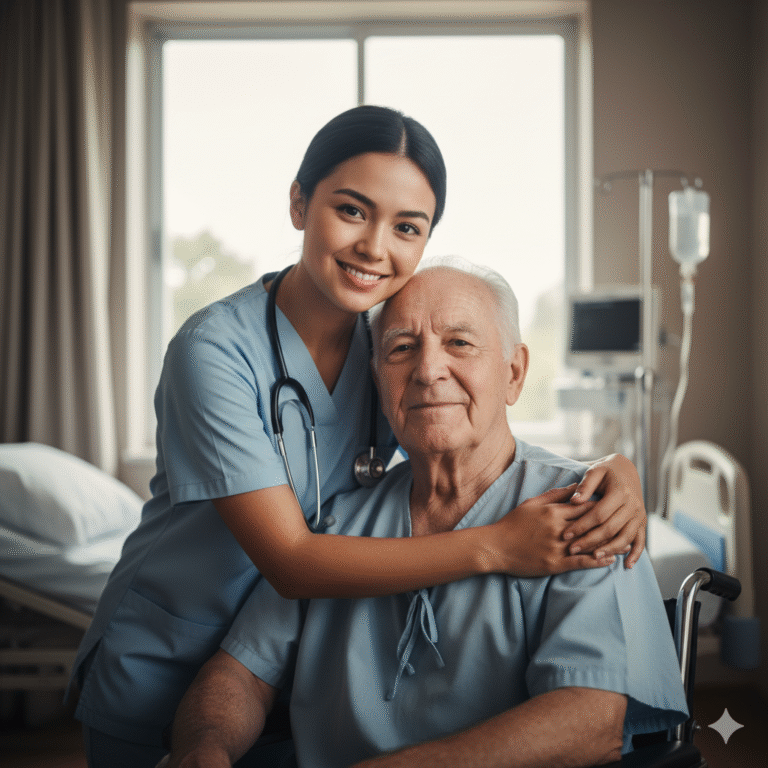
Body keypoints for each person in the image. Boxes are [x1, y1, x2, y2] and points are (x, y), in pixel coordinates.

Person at [70, 106, 648, 768]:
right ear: (299, 204)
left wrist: (617, 468)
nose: (376, 247)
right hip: (169, 662)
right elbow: (291, 561)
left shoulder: (389, 348)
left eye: (407, 227)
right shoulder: (215, 352)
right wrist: (498, 546)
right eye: (351, 210)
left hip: (294, 673)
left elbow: (469, 420)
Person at [160, 260, 688, 768]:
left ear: (514, 373)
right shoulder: (337, 524)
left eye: (459, 343)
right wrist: (206, 745)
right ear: (378, 382)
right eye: (402, 348)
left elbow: (589, 723)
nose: (428, 371)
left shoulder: (588, 511)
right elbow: (241, 674)